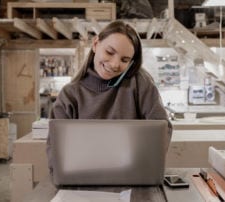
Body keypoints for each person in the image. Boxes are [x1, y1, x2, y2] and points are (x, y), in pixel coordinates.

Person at [46, 20, 172, 174]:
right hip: (83, 179)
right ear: (95, 44)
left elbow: (162, 130)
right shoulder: (70, 94)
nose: (114, 64)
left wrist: (142, 164)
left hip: (132, 177)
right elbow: (56, 151)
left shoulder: (140, 82)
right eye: (109, 52)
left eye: (124, 60)